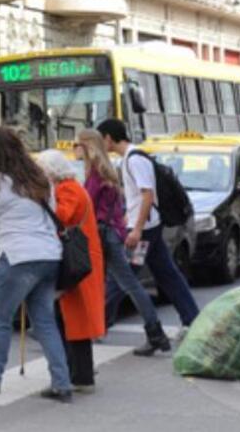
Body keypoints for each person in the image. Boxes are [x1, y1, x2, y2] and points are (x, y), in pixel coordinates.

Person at [0, 127, 71, 402]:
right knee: (45, 321)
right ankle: (62, 382)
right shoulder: (40, 179)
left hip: (18, 257)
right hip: (49, 256)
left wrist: (3, 226)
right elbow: (53, 215)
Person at [97, 119, 199, 331]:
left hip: (144, 231)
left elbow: (147, 195)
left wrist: (136, 229)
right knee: (166, 274)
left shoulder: (134, 160)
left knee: (121, 278)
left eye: (101, 139)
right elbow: (137, 197)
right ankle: (192, 318)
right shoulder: (129, 158)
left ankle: (99, 323)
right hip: (147, 228)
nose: (100, 145)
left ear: (108, 138)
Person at [75, 129, 171, 356]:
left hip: (104, 235)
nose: (75, 149)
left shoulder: (97, 172)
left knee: (122, 283)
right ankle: (153, 333)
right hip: (112, 233)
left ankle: (153, 333)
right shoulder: (107, 169)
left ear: (88, 146)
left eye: (77, 144)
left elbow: (87, 205)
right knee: (127, 283)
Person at [37, 149, 105, 393]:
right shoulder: (71, 186)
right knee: (73, 320)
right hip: (81, 257)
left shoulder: (66, 189)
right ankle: (78, 374)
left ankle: (78, 375)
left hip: (75, 260)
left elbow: (61, 216)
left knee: (73, 320)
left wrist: (42, 199)